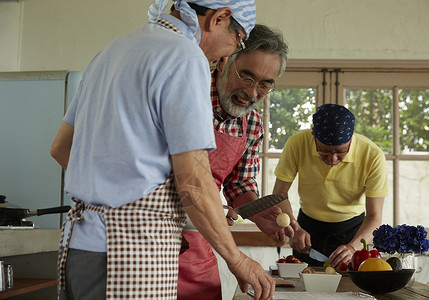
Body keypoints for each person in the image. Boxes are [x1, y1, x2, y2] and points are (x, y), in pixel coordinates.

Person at [49, 1, 276, 299]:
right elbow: (194, 182)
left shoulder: (112, 51)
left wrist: (134, 200)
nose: (230, 51)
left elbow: (62, 148)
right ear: (220, 18)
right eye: (238, 40)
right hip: (131, 256)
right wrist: (237, 258)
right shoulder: (184, 56)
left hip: (80, 245)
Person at [177, 24, 298, 299]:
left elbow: (239, 184)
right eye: (247, 77)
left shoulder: (252, 123)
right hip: (152, 237)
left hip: (201, 242)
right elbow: (187, 181)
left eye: (265, 84)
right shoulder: (186, 97)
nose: (253, 93)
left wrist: (257, 212)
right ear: (223, 63)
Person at [273, 103, 388, 269]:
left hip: (354, 231)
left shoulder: (373, 155)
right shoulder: (296, 144)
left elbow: (375, 216)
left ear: (351, 138)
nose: (332, 159)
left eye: (341, 151)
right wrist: (293, 227)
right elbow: (279, 194)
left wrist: (353, 247)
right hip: (306, 228)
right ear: (313, 136)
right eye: (324, 151)